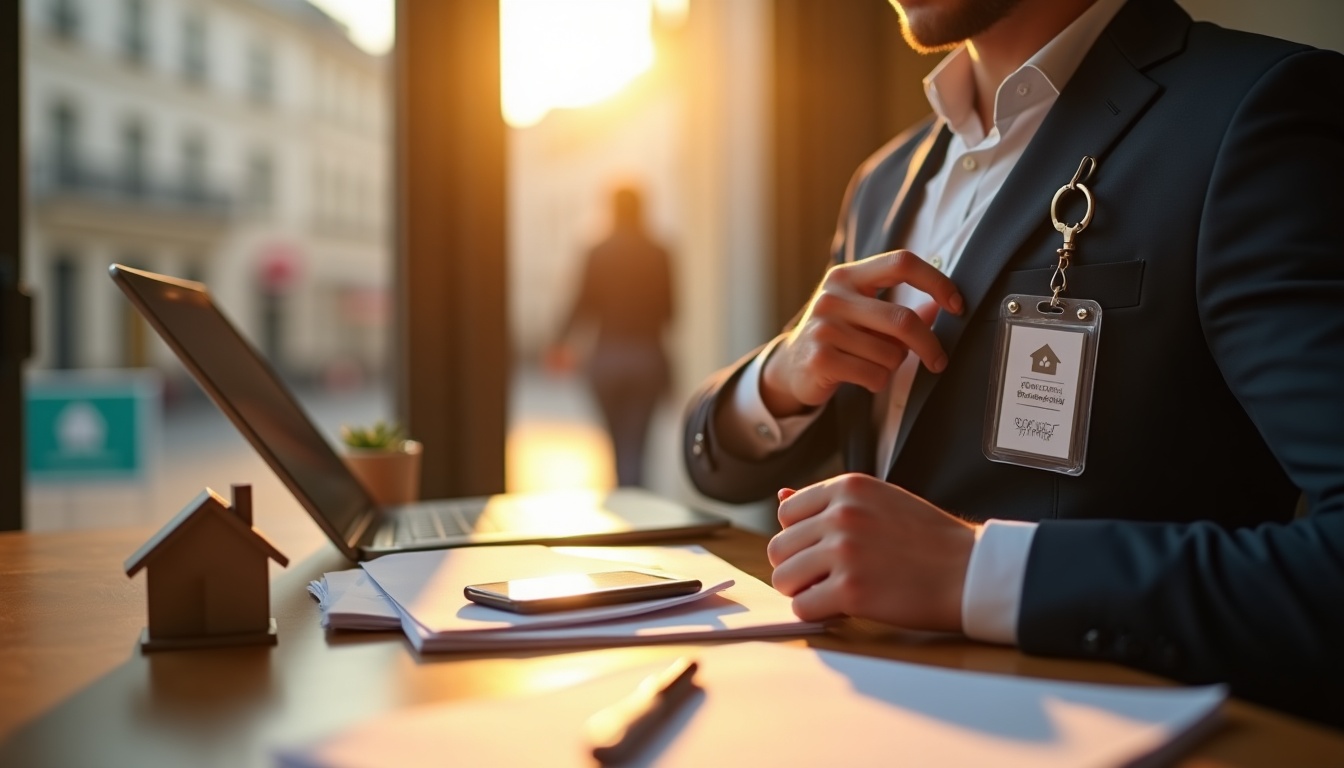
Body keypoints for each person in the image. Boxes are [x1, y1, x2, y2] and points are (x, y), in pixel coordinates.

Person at [682, 0, 1344, 728]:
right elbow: (715, 464)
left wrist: (977, 572)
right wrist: (783, 375)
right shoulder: (886, 178)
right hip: (863, 717)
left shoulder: (1255, 111)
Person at [549, 185, 676, 488]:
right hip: (647, 357)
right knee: (637, 445)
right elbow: (672, 312)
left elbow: (580, 303)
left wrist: (558, 341)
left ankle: (625, 499)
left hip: (606, 357)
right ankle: (636, 504)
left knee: (617, 444)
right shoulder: (660, 253)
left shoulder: (597, 251)